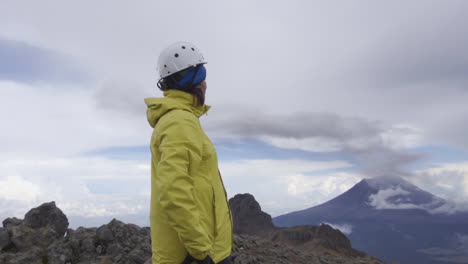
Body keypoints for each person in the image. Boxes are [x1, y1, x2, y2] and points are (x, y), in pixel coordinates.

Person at [144, 42, 234, 264]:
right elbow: (173, 190)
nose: (205, 82)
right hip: (193, 255)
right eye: (202, 74)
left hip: (197, 251)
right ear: (191, 80)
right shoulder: (179, 122)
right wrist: (200, 250)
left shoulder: (182, 120)